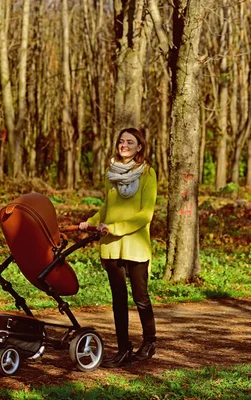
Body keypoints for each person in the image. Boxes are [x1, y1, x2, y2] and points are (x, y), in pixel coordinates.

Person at [79, 127, 157, 368]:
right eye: (121, 141)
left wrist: (115, 227)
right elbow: (107, 207)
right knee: (118, 300)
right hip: (112, 247)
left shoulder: (147, 174)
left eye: (130, 142)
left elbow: (146, 214)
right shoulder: (110, 174)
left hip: (135, 246)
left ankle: (149, 342)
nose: (124, 145)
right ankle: (124, 349)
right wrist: (91, 222)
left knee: (141, 298)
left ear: (139, 147)